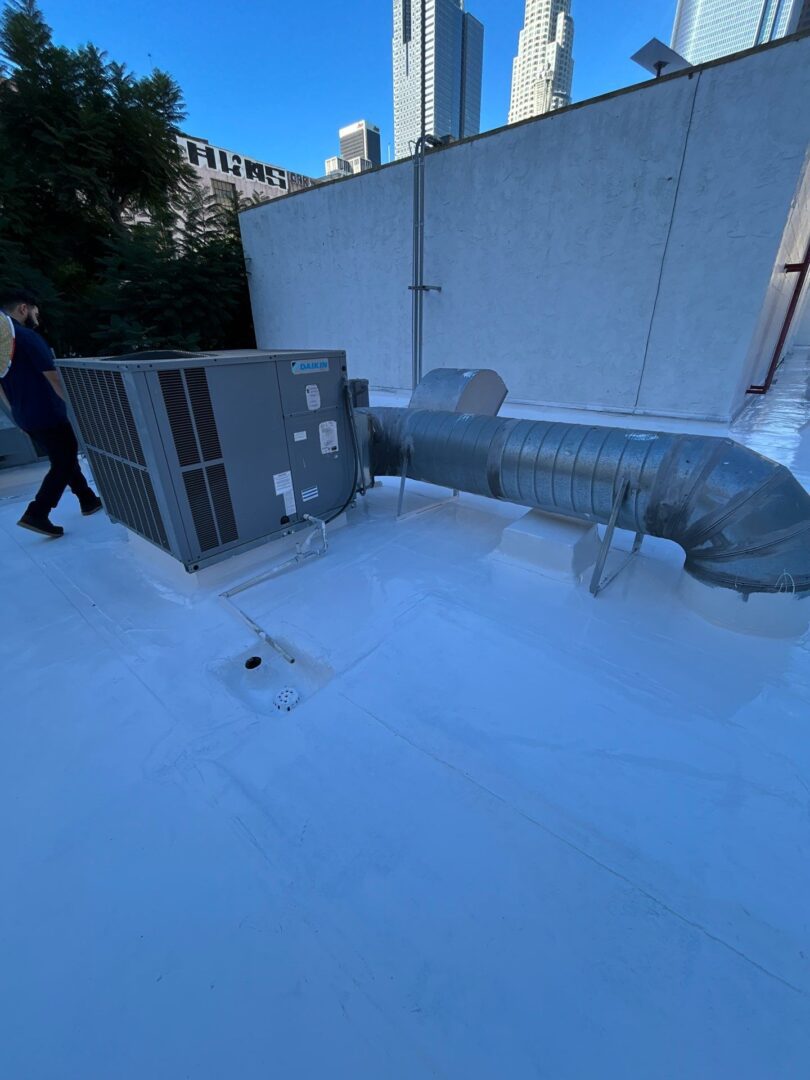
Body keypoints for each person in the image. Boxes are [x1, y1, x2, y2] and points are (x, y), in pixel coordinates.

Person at [0, 287, 101, 537]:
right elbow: (54, 378)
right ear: (23, 308)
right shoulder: (27, 337)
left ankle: (87, 499)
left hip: (26, 415)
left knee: (63, 456)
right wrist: (79, 408)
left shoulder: (4, 343)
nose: (37, 316)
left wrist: (16, 415)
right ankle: (38, 512)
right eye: (36, 311)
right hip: (47, 413)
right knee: (64, 459)